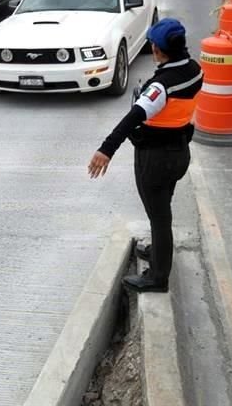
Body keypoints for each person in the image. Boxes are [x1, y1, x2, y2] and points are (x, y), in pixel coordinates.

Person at [87, 18, 203, 293]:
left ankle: (157, 277)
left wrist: (106, 149)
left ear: (157, 49)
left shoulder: (161, 86)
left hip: (156, 159)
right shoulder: (195, 70)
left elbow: (134, 117)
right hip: (178, 153)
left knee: (159, 216)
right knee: (162, 210)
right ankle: (158, 251)